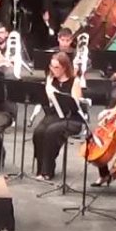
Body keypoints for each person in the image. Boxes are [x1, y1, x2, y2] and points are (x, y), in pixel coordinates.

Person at [31, 51, 83, 181]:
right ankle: (41, 167)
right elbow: (47, 102)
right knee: (39, 132)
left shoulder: (74, 81)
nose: (53, 70)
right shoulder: (50, 79)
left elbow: (76, 104)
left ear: (64, 67)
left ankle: (48, 170)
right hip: (54, 114)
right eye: (51, 67)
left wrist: (58, 94)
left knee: (51, 132)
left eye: (56, 68)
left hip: (71, 117)